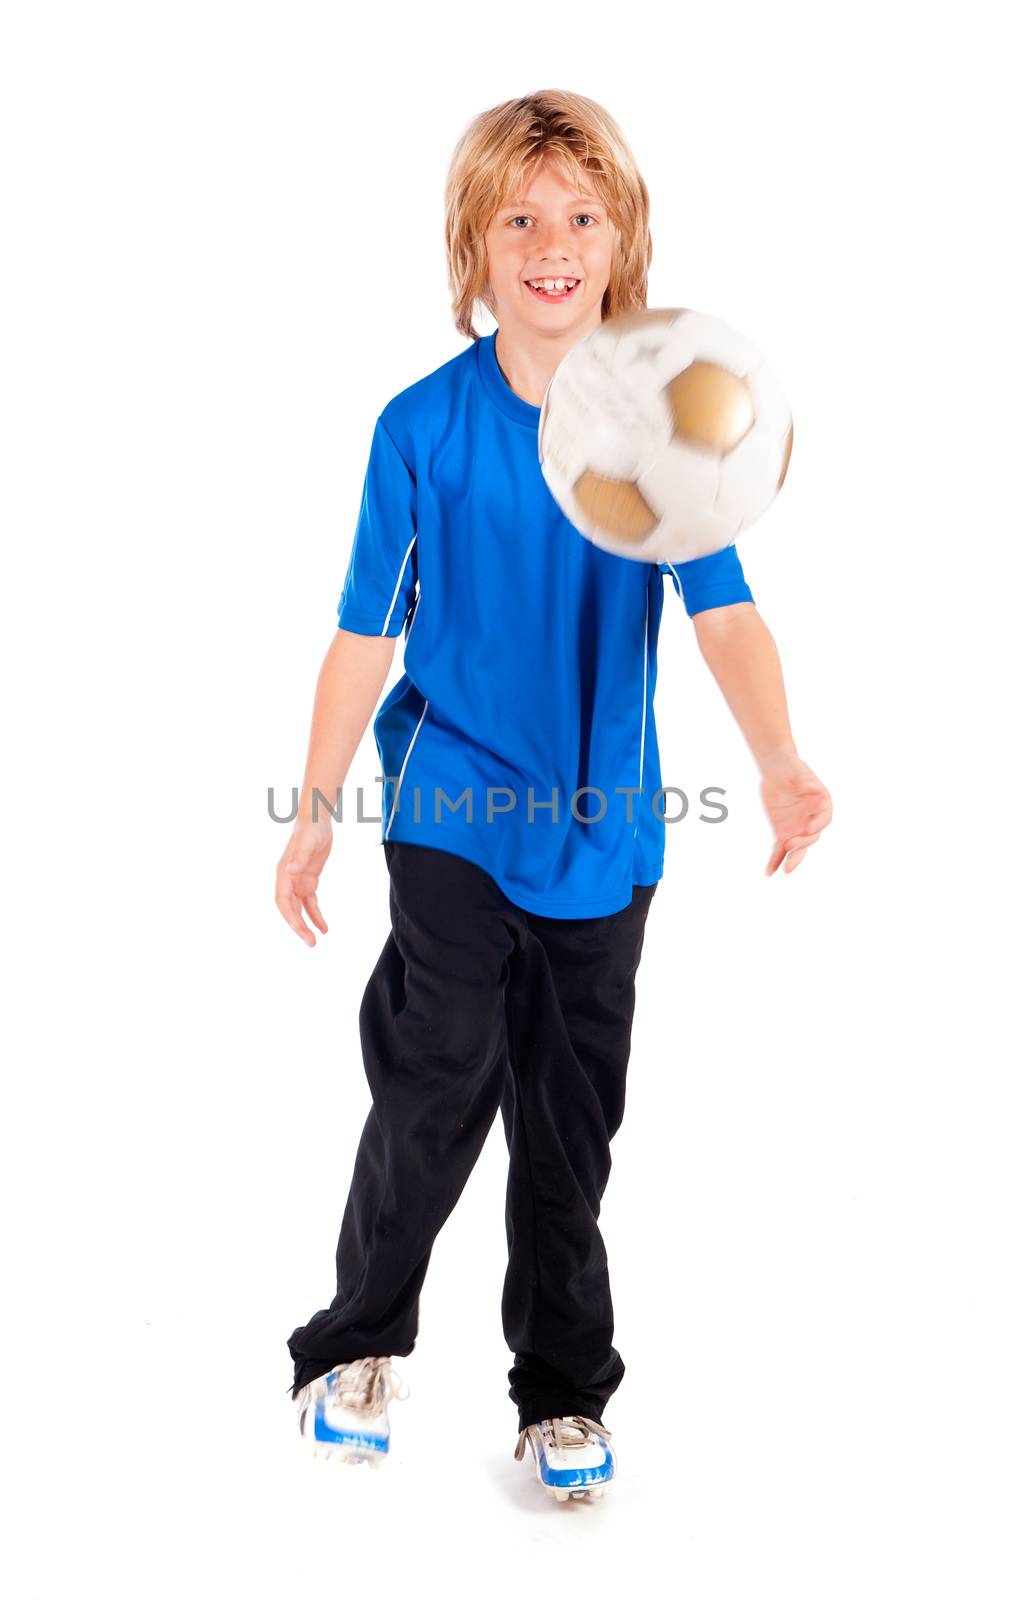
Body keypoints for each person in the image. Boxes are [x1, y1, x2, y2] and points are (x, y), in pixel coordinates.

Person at [274, 89, 833, 1501]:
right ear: (475, 246)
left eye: (580, 216)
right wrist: (318, 804)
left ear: (621, 239)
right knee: (438, 1059)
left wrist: (778, 758)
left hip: (609, 829)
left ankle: (562, 1395)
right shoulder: (423, 429)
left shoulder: (660, 422)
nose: (550, 242)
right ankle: (354, 1342)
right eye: (518, 217)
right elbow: (362, 630)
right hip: (455, 798)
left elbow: (724, 615)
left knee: (570, 1124)